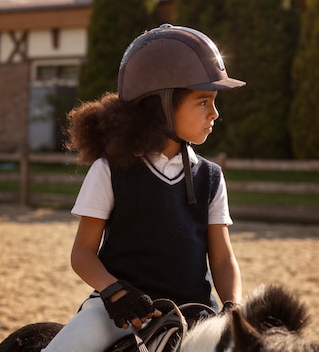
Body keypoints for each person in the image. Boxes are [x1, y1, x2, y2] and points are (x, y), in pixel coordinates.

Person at [42, 24, 245, 352]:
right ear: (160, 106)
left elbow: (222, 258)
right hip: (118, 312)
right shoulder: (109, 170)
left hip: (196, 313)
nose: (215, 113)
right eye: (203, 101)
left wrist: (233, 306)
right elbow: (82, 254)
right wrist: (116, 293)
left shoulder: (210, 176)